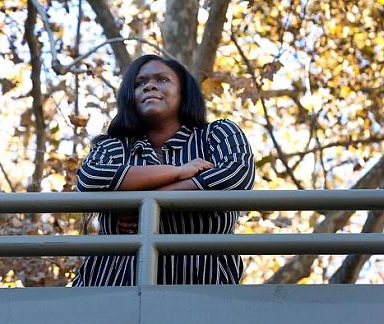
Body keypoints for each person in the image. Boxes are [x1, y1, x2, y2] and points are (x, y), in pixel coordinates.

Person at [73, 54, 254, 287]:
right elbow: (90, 179)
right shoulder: (113, 145)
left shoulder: (216, 134)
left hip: (204, 288)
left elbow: (236, 173)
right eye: (140, 83)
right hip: (112, 287)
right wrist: (179, 172)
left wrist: (144, 206)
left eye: (163, 79)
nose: (150, 86)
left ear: (184, 92)